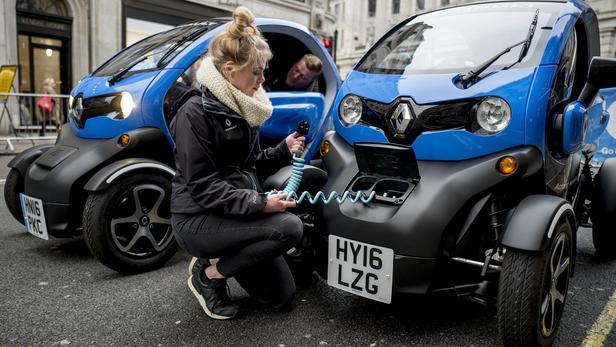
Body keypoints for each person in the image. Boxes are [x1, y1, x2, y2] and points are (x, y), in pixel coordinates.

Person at [170, 7, 306, 320]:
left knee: (280, 297)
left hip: (234, 210)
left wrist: (283, 151)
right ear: (230, 70)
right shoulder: (194, 113)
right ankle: (209, 276)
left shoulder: (242, 103)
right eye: (255, 71)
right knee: (290, 227)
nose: (262, 79)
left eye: (263, 70)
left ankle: (218, 256)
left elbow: (250, 164)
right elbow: (203, 186)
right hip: (197, 217)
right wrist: (260, 203)